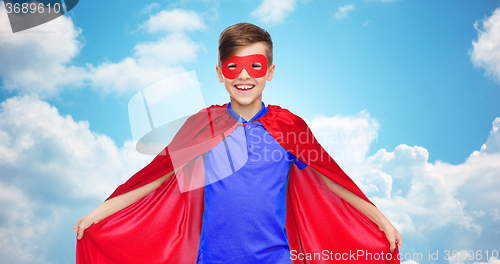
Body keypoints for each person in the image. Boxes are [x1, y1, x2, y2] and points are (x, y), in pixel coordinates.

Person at [75, 22, 402, 264]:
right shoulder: (203, 125)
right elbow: (157, 174)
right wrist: (100, 213)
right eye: (234, 67)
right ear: (220, 73)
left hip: (275, 258)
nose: (244, 77)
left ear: (270, 72)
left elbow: (332, 178)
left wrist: (381, 221)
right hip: (213, 258)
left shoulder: (289, 126)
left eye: (254, 66)